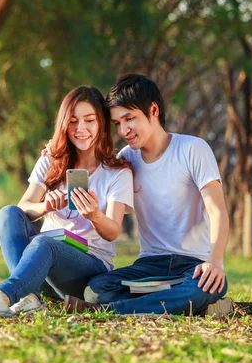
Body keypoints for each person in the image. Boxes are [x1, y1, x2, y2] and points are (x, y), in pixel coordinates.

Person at [65, 74, 231, 316]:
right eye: (117, 123)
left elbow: (217, 210)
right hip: (149, 265)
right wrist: (57, 153)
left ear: (153, 110)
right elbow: (92, 166)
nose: (123, 130)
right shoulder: (126, 160)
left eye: (129, 119)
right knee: (96, 288)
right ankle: (176, 304)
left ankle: (107, 311)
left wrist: (214, 261)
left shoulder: (192, 149)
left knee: (200, 288)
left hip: (194, 264)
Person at [0, 86, 134, 317]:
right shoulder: (52, 160)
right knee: (8, 213)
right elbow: (24, 208)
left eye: (89, 120)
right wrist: (45, 207)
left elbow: (113, 231)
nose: (80, 129)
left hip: (86, 269)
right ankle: (29, 297)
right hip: (41, 266)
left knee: (43, 244)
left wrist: (94, 215)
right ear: (64, 123)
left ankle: (3, 295)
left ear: (101, 123)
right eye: (72, 121)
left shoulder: (117, 173)